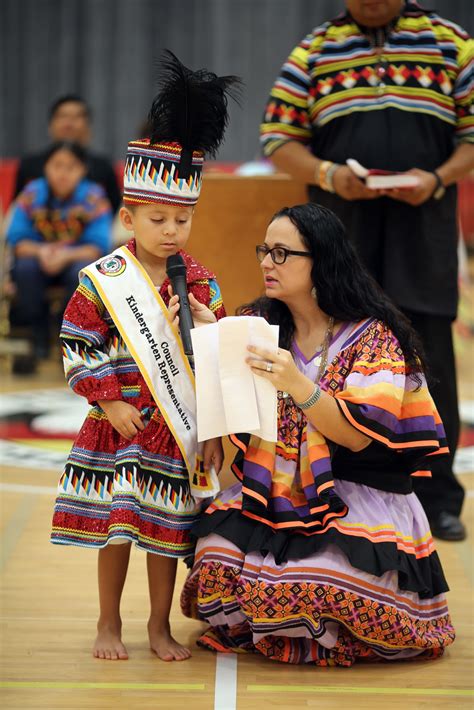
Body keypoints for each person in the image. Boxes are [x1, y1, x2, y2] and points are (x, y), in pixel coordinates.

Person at [181, 202, 455, 665]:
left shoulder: (373, 337)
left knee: (314, 582)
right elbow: (237, 402)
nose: (267, 262)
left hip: (356, 492)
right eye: (265, 250)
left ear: (321, 261)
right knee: (213, 559)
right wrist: (214, 338)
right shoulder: (262, 325)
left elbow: (358, 437)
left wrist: (299, 385)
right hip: (280, 489)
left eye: (282, 253)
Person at [259, 0, 474, 541]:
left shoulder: (451, 42)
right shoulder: (313, 49)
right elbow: (276, 137)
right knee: (337, 348)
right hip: (339, 228)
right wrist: (327, 173)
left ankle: (438, 497)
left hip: (423, 225)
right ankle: (329, 483)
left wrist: (440, 177)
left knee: (428, 354)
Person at [51, 51, 240, 662]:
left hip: (174, 434)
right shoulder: (102, 278)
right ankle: (110, 623)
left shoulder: (202, 281)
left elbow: (217, 356)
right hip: (121, 427)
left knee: (166, 535)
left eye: (182, 219)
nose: (170, 230)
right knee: (118, 532)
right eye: (157, 218)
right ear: (129, 214)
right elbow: (79, 339)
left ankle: (159, 625)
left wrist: (214, 327)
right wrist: (106, 398)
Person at [6, 141, 112, 368]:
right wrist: (41, 250)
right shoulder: (32, 193)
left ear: (83, 169)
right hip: (38, 260)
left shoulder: (94, 197)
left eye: (71, 167)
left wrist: (64, 255)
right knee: (25, 268)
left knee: (83, 272)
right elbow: (17, 240)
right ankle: (38, 332)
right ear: (46, 167)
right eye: (57, 165)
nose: (63, 173)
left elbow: (98, 246)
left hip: (74, 260)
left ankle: (65, 332)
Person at [14, 94, 121, 213]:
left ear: (88, 126)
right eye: (62, 116)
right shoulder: (29, 165)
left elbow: (115, 215)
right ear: (50, 125)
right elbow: (16, 209)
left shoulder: (103, 167)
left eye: (76, 117)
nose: (69, 124)